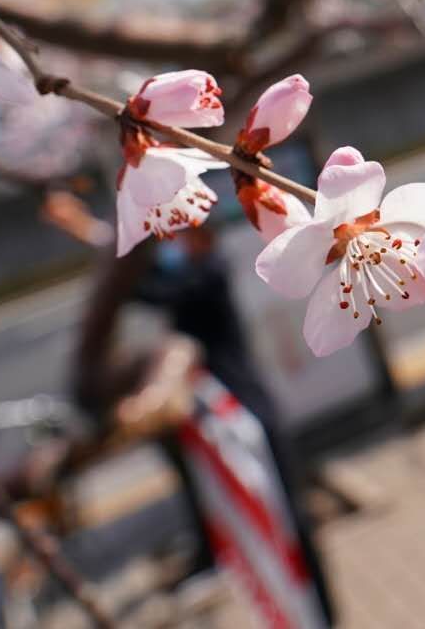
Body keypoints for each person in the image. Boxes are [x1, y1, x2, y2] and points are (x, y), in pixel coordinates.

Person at [132, 227, 336, 624]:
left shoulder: (207, 272)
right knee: (255, 519)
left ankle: (319, 611)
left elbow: (152, 291)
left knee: (286, 514)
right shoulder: (192, 273)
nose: (172, 245)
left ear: (203, 239)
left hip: (249, 416)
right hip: (226, 418)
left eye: (180, 235)